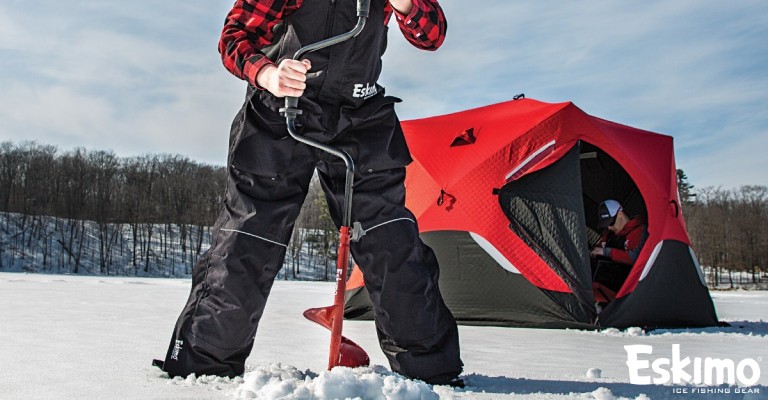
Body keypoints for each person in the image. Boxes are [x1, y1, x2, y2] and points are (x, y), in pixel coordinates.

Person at [157, 0, 463, 387]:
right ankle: (203, 371)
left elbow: (431, 34)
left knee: (392, 244)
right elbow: (234, 36)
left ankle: (431, 375)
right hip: (279, 114)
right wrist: (267, 73)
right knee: (249, 240)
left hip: (360, 117)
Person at [589, 199, 649, 302]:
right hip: (603, 287)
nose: (609, 227)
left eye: (611, 223)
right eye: (606, 224)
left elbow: (635, 258)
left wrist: (606, 252)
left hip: (628, 295)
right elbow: (598, 249)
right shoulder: (609, 234)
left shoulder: (639, 231)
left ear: (620, 214)